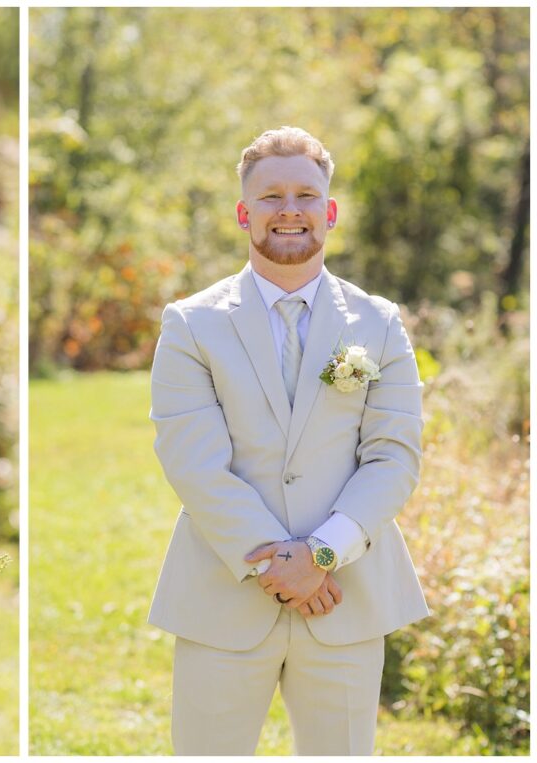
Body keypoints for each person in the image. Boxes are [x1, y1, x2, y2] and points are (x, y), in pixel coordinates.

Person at [148, 126, 429, 755]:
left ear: (328, 211)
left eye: (306, 194)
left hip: (345, 602)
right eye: (271, 197)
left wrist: (321, 555)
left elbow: (394, 456)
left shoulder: (379, 323)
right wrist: (279, 566)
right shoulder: (192, 324)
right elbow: (193, 461)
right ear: (245, 213)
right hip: (222, 597)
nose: (290, 210)